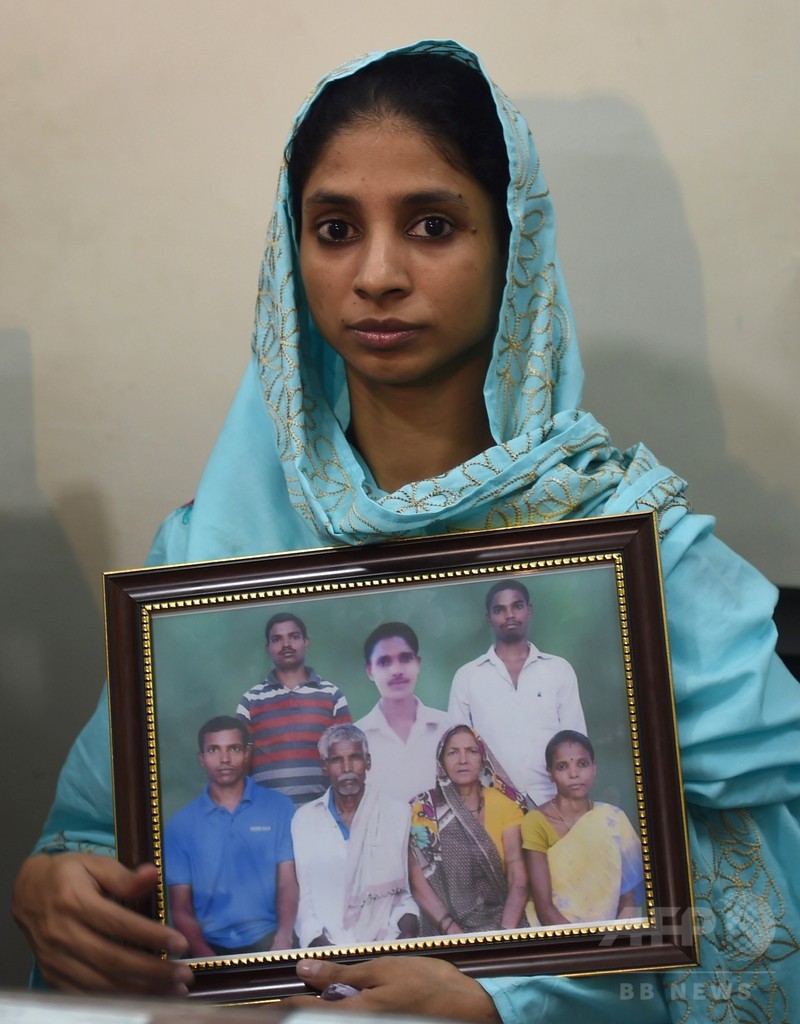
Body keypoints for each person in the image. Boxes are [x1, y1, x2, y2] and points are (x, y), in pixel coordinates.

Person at [11, 39, 800, 1023]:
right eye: (335, 228)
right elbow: (102, 826)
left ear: (512, 248)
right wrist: (52, 882)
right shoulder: (212, 547)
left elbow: (748, 889)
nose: (376, 273)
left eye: (431, 224)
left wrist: (503, 1005)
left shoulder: (633, 551)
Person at [163, 716, 298, 956]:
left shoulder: (280, 807)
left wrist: (283, 938)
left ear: (246, 754)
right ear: (202, 758)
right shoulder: (180, 825)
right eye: (214, 750)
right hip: (207, 945)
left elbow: (288, 883)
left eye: (233, 748)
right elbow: (180, 908)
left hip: (271, 939)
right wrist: (206, 958)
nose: (224, 759)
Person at [449, 580, 586, 807]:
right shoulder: (468, 676)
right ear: (489, 618)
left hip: (553, 799)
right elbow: (457, 749)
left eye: (517, 606)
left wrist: (571, 803)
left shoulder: (558, 670)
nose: (509, 615)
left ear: (529, 610)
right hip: (492, 804)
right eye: (499, 610)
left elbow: (576, 742)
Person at [290, 724, 419, 947]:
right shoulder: (305, 820)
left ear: (368, 761)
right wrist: (328, 952)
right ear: (324, 766)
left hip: (387, 945)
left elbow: (402, 898)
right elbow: (305, 903)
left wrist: (404, 938)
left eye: (355, 758)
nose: (347, 768)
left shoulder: (396, 813)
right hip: (327, 949)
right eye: (337, 760)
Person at [409, 725, 527, 935]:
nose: (462, 760)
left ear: (482, 758)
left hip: (503, 920)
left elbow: (517, 878)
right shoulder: (424, 810)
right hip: (444, 928)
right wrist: (453, 932)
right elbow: (418, 882)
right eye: (453, 752)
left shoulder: (505, 804)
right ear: (441, 761)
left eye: (471, 751)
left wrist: (504, 933)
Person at [522, 730, 643, 928]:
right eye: (562, 766)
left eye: (582, 764)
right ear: (550, 773)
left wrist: (615, 937)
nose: (574, 774)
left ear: (594, 768)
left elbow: (628, 896)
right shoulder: (536, 821)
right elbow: (545, 908)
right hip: (557, 934)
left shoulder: (613, 818)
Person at [237, 612, 351, 806]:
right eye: (277, 639)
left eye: (294, 636)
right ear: (268, 648)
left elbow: (346, 758)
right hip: (267, 813)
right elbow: (240, 765)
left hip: (322, 811)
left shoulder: (332, 695)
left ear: (306, 643)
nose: (286, 644)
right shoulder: (251, 700)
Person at [354, 622, 451, 801]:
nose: (396, 670)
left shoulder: (448, 729)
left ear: (418, 663)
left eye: (405, 658)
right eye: (384, 662)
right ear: (370, 671)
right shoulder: (356, 739)